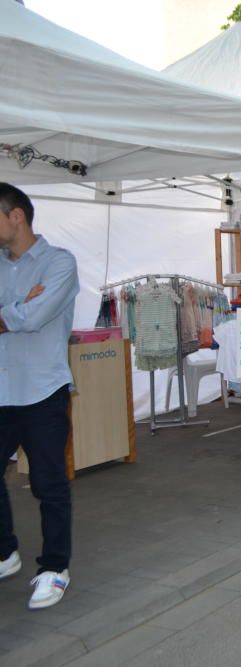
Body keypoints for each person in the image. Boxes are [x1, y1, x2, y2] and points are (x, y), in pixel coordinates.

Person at [0, 183, 80, 610]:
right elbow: (22, 315)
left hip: (42, 391)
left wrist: (13, 312)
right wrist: (16, 309)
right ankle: (5, 552)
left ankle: (54, 568)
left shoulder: (59, 263)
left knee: (49, 485)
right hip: (1, 390)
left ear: (16, 217)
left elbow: (34, 318)